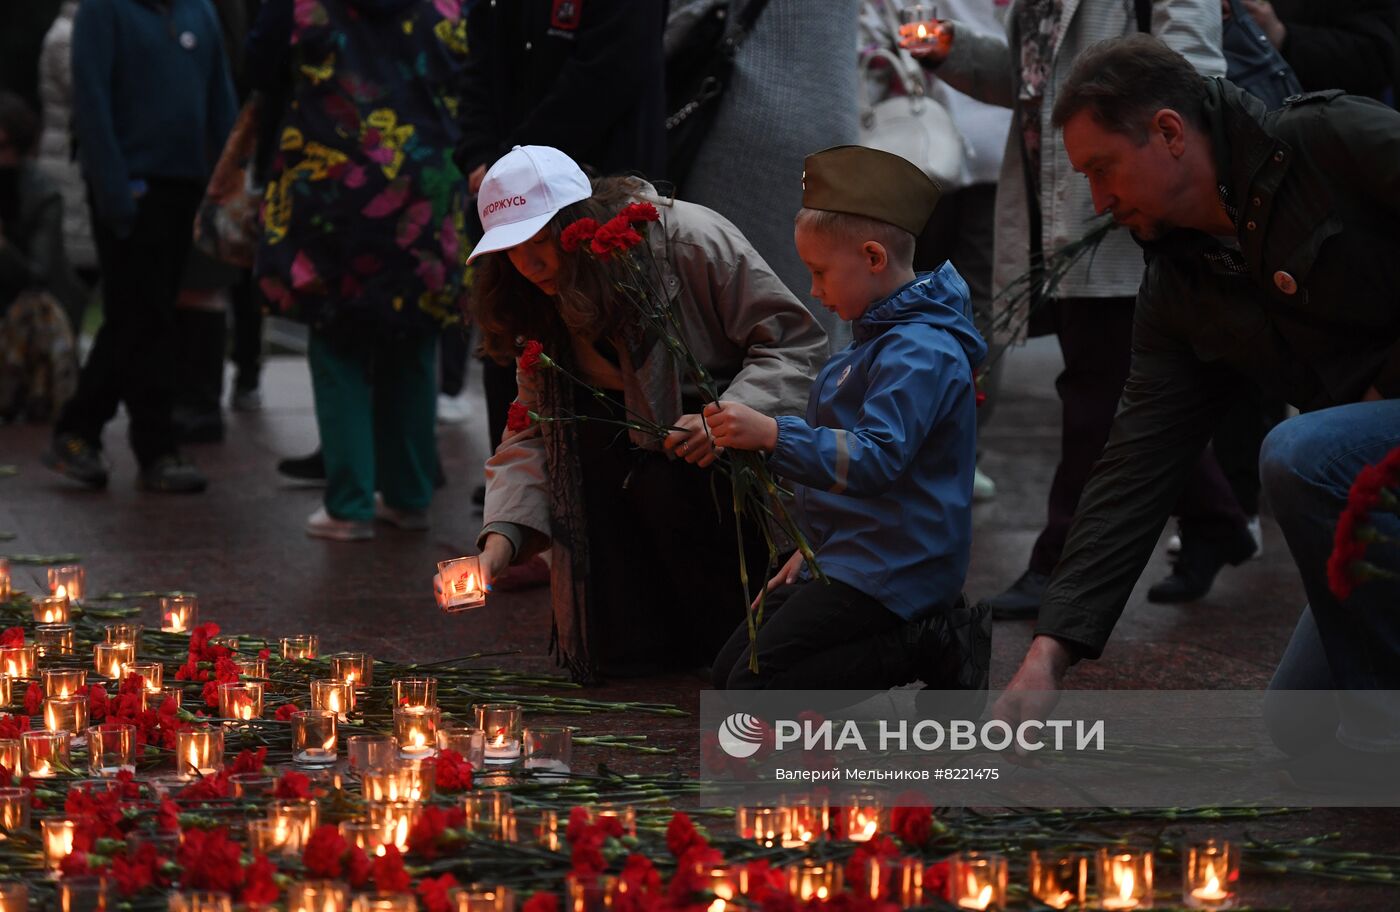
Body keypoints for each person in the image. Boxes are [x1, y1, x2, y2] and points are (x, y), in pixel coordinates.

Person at [994, 34, 1400, 791]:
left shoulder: (1327, 140)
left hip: (1369, 456)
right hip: (1375, 475)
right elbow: (1136, 462)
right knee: (1299, 723)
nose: (1099, 204)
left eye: (1102, 169)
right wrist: (1050, 651)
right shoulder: (1181, 285)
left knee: (1300, 453)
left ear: (1170, 133)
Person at [907, 0, 1257, 615]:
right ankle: (1216, 519)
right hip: (1068, 214)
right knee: (1117, 387)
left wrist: (1167, 190)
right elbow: (1034, 85)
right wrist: (948, 50)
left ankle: (1058, 566)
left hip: (1127, 218)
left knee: (1096, 397)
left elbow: (1194, 75)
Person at [469, 145, 828, 682]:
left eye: (542, 241)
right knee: (626, 659)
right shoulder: (533, 297)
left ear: (579, 223)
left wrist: (729, 414)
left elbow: (793, 344)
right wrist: (499, 546)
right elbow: (532, 430)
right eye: (512, 251)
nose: (531, 264)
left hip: (716, 458)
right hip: (623, 478)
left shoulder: (687, 242)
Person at [704, 145, 991, 691]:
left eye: (819, 272)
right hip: (852, 554)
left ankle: (931, 644)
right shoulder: (879, 339)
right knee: (726, 676)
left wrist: (771, 434)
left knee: (751, 691)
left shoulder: (920, 351)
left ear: (874, 258)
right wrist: (811, 556)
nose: (813, 290)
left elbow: (875, 460)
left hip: (899, 564)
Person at [247, 0, 470, 540]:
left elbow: (257, 67)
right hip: (425, 187)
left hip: (333, 194)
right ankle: (410, 497)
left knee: (336, 340)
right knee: (416, 341)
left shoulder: (304, 8)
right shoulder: (449, 7)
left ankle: (349, 506)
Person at [43, 0, 237, 493]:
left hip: (186, 185)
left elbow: (219, 96)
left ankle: (79, 430)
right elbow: (92, 101)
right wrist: (114, 190)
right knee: (146, 315)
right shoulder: (104, 11)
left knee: (141, 314)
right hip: (131, 185)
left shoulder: (200, 12)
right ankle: (154, 446)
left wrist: (231, 177)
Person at [0, 92, 79, 422]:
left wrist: (3, 248)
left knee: (35, 310)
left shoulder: (41, 194)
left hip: (26, 307)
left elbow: (39, 273)